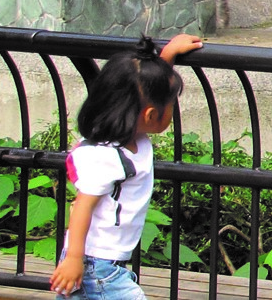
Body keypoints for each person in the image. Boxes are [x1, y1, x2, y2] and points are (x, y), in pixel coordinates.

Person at [50, 33, 203, 299]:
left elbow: (148, 86)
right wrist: (74, 259)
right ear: (151, 114)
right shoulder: (108, 156)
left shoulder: (132, 136)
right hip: (95, 264)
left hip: (100, 262)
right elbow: (82, 206)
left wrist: (167, 56)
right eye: (170, 104)